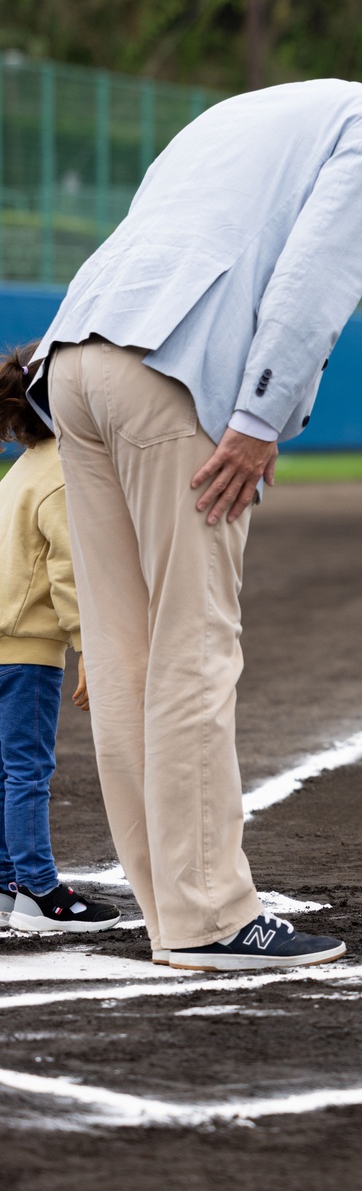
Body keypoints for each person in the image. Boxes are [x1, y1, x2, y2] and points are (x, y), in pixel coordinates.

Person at [27, 67, 362, 970]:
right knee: (193, 641)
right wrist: (258, 419)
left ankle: (171, 905)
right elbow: (318, 273)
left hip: (77, 357)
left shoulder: (250, 108)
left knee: (124, 652)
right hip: (172, 366)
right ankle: (208, 918)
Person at [0, 344, 120, 936]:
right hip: (26, 654)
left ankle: (5, 883)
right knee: (27, 771)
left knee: (6, 769)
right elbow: (69, 578)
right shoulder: (61, 477)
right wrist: (90, 654)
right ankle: (40, 893)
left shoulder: (19, 470)